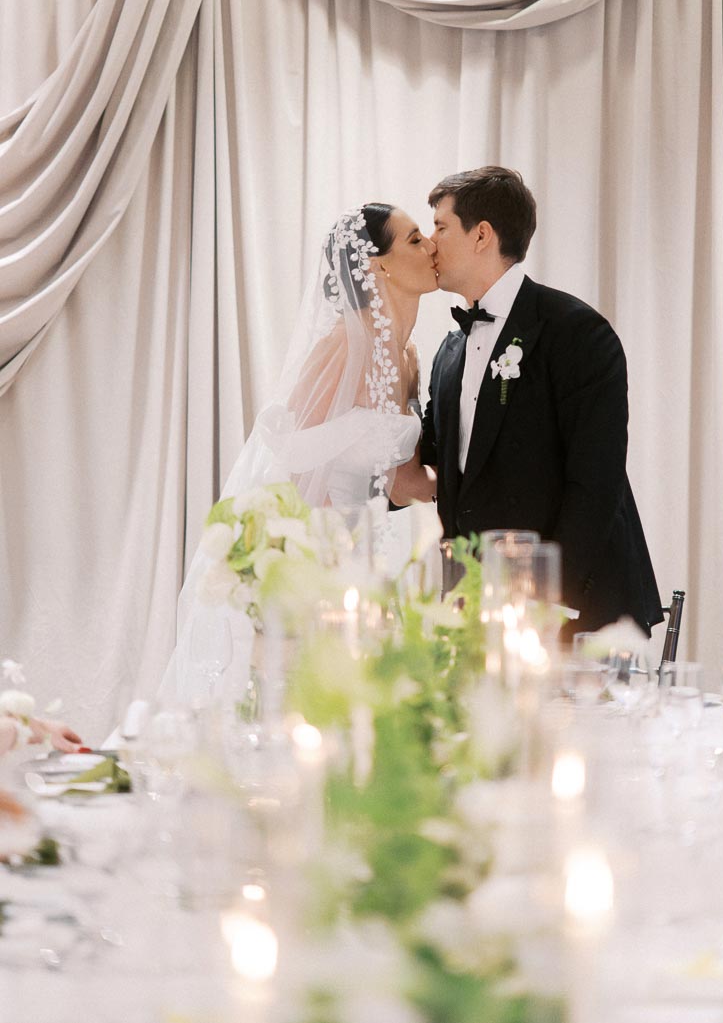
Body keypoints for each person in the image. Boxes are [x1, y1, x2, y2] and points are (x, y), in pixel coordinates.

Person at [159, 204, 438, 704]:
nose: (432, 246)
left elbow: (403, 481)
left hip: (367, 557)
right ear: (379, 265)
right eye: (416, 239)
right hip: (320, 561)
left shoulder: (408, 356)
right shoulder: (342, 346)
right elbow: (291, 467)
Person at [415, 166, 662, 635]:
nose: (430, 243)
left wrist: (545, 604)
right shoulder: (450, 350)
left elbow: (594, 486)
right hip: (478, 612)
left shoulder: (578, 333)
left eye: (441, 227)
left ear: (482, 235)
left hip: (577, 614)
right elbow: (436, 470)